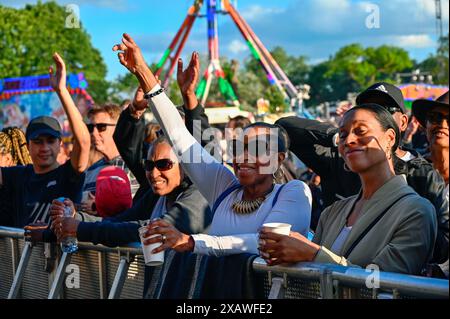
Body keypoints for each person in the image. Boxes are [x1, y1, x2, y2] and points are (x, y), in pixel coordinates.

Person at [112, 33, 312, 257]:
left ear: (279, 159)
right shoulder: (225, 188)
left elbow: (267, 242)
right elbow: (178, 135)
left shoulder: (294, 191)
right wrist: (143, 72)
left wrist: (192, 242)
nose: (244, 157)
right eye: (238, 148)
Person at [276, 82, 449, 264]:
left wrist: (313, 254)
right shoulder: (332, 213)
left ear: (391, 136)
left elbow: (383, 284)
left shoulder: (417, 208)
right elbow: (285, 126)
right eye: (344, 135)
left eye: (361, 131)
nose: (350, 139)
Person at [0, 52, 90, 228]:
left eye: (50, 140)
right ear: (27, 146)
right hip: (22, 256)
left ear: (60, 144)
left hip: (58, 255)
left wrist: (61, 91)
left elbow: (84, 142)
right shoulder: (18, 175)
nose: (45, 147)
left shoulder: (67, 175)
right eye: (38, 141)